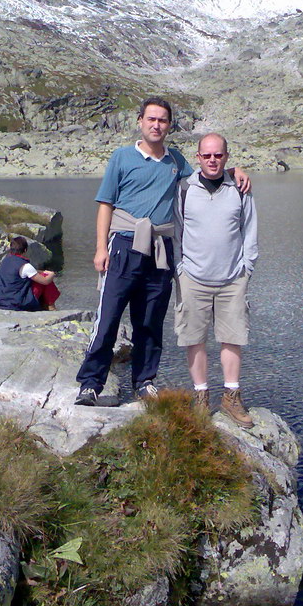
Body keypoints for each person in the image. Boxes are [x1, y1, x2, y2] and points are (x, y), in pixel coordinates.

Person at [75, 98, 250, 407]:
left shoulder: (176, 161)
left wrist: (235, 170)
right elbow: (106, 204)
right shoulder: (122, 157)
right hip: (124, 245)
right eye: (151, 119)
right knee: (109, 316)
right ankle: (90, 383)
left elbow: (206, 172)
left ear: (169, 126)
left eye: (163, 121)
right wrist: (101, 247)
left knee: (151, 320)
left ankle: (144, 381)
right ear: (140, 121)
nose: (157, 125)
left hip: (161, 249)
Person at [173, 133, 258, 428]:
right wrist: (180, 268)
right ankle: (201, 397)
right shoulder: (184, 189)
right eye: (207, 155)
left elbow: (249, 229)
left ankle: (231, 397)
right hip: (193, 276)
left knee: (233, 337)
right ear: (198, 157)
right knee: (193, 338)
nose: (212, 160)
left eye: (218, 155)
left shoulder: (240, 188)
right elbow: (177, 232)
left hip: (233, 277)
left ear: (227, 156)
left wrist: (247, 266)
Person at [0, 236, 60, 311]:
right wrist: (52, 274)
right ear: (25, 250)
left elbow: (22, 272)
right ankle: (50, 305)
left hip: (0, 301)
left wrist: (39, 271)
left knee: (37, 277)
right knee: (44, 277)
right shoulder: (25, 266)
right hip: (17, 303)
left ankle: (45, 305)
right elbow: (45, 281)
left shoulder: (6, 260)